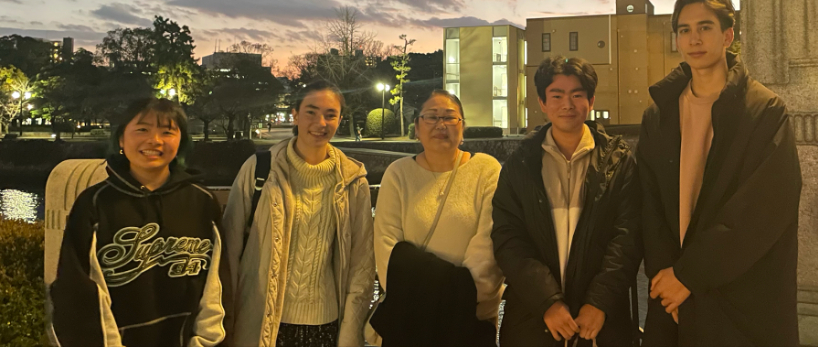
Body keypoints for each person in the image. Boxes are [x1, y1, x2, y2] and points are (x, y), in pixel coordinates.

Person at [639, 0, 802, 346]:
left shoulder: (763, 110)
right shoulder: (659, 113)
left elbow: (764, 209)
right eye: (684, 30)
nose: (693, 39)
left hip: (738, 294)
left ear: (728, 35)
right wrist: (667, 279)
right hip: (673, 292)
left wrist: (689, 276)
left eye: (705, 27)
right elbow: (649, 205)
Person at [492, 56, 642, 347]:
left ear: (591, 100)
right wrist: (547, 301)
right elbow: (507, 237)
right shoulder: (521, 164)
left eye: (577, 95)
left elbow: (628, 238)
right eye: (556, 95)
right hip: (533, 315)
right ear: (542, 102)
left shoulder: (619, 161)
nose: (567, 104)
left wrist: (599, 302)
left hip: (600, 319)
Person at [50, 98, 225, 347]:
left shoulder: (202, 202)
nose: (154, 140)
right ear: (121, 139)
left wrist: (205, 342)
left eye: (167, 131)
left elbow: (216, 284)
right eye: (142, 129)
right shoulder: (95, 204)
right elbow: (78, 293)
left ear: (181, 141)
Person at [222, 80, 374, 347]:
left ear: (340, 119)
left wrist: (350, 334)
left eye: (331, 115)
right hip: (262, 319)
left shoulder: (352, 180)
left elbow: (361, 264)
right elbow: (230, 249)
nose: (321, 123)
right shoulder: (260, 170)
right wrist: (227, 320)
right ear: (295, 114)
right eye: (311, 112)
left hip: (325, 323)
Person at [371, 90, 503, 346]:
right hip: (410, 320)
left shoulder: (487, 171)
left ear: (462, 127)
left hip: (469, 320)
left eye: (450, 117)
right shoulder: (398, 174)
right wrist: (447, 291)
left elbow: (489, 248)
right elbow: (387, 252)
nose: (441, 124)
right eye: (431, 117)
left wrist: (456, 298)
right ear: (417, 127)